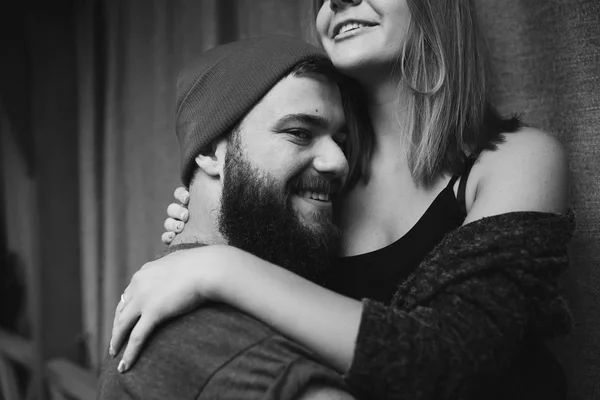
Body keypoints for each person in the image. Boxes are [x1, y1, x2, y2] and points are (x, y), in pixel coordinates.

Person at [110, 1, 574, 399]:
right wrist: (211, 222)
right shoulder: (314, 185)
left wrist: (217, 267)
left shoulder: (517, 159)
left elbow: (453, 359)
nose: (338, 0)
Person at [99, 35, 370, 400]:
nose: (339, 162)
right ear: (210, 150)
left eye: (341, 142)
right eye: (299, 133)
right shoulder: (204, 339)